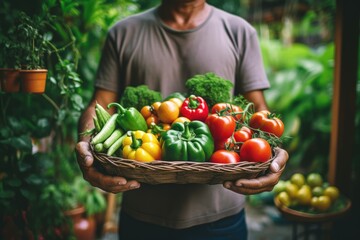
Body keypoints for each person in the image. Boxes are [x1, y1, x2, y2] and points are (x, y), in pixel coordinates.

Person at [75, 0, 289, 239]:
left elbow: (258, 109)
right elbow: (100, 104)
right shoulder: (123, 32)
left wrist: (273, 153)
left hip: (221, 217)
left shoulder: (239, 31)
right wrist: (86, 144)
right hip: (143, 214)